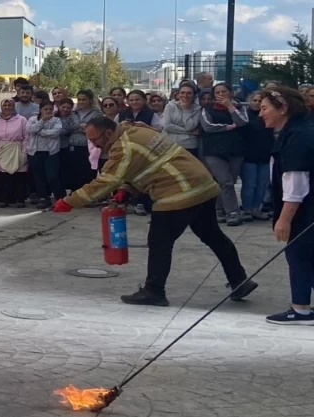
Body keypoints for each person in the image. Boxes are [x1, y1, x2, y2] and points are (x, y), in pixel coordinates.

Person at [53, 116, 258, 307]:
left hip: (178, 192)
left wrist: (70, 201)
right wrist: (127, 190)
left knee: (159, 242)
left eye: (94, 139)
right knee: (213, 236)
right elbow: (146, 166)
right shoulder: (134, 132)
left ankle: (154, 291)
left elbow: (106, 181)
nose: (94, 144)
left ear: (107, 133)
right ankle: (239, 280)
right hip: (202, 186)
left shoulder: (123, 146)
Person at [258, 87, 314, 324]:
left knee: (299, 255)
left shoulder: (298, 135)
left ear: (283, 108)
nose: (261, 114)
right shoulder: (299, 129)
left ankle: (300, 308)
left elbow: (296, 182)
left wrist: (284, 219)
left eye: (264, 108)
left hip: (306, 210)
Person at [200, 82, 248, 227]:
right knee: (225, 181)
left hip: (235, 150)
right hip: (214, 151)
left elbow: (242, 122)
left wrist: (230, 107)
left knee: (229, 182)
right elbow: (207, 127)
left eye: (224, 92)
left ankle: (219, 208)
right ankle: (232, 212)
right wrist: (228, 127)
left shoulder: (239, 107)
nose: (221, 95)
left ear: (230, 93)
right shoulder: (207, 109)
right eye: (218, 92)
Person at [0, 99, 30, 208]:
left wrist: (24, 152)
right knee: (1, 177)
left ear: (13, 107)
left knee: (18, 175)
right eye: (5, 105)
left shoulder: (21, 120)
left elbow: (27, 137)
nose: (7, 107)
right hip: (0, 151)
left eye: (10, 105)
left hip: (16, 149)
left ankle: (19, 199)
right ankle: (3, 199)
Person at [241, 91, 274, 222]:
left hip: (265, 153)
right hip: (249, 155)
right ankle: (247, 209)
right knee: (249, 184)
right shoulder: (245, 116)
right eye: (254, 100)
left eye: (260, 101)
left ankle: (256, 208)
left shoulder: (269, 116)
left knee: (262, 184)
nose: (257, 103)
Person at [27, 101, 65, 209]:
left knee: (52, 176)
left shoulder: (56, 120)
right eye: (45, 109)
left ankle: (59, 197)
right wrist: (42, 121)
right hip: (35, 152)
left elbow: (56, 132)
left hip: (51, 152)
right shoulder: (33, 119)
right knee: (39, 176)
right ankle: (43, 197)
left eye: (50, 109)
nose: (48, 111)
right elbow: (30, 129)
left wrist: (41, 132)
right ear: (40, 110)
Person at [68, 91, 100, 191]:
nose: (81, 102)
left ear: (90, 100)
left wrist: (85, 127)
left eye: (84, 99)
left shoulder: (97, 113)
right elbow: (69, 127)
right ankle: (75, 192)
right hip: (73, 143)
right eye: (79, 100)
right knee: (74, 168)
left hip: (89, 145)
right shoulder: (73, 113)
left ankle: (88, 192)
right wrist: (84, 126)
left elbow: (95, 128)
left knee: (87, 169)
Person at [162, 84, 202, 158]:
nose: (185, 95)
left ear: (194, 95)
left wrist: (186, 110)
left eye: (189, 93)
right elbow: (166, 126)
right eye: (182, 93)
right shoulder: (170, 106)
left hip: (190, 145)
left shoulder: (198, 109)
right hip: (171, 144)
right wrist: (189, 132)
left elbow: (190, 127)